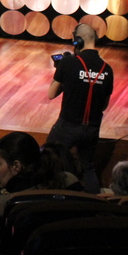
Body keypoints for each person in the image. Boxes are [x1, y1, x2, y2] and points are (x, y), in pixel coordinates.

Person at [45, 23, 113, 194]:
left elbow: (51, 94)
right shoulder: (107, 69)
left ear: (77, 41)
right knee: (88, 167)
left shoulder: (68, 62)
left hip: (67, 126)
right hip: (92, 128)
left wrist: (62, 73)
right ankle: (94, 202)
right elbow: (104, 105)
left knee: (48, 159)